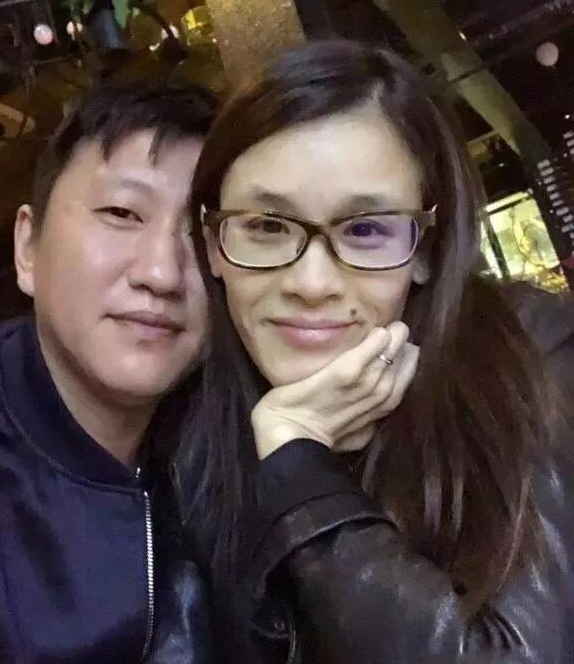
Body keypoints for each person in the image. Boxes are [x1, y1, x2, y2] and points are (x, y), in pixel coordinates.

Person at [183, 40, 574, 663]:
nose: (312, 283)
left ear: (424, 250)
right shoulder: (188, 432)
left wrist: (299, 469)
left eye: (365, 229)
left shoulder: (531, 356)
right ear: (212, 246)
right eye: (267, 226)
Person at [0, 83, 217, 663]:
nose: (162, 273)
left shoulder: (230, 449)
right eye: (121, 213)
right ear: (27, 247)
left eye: (204, 233)